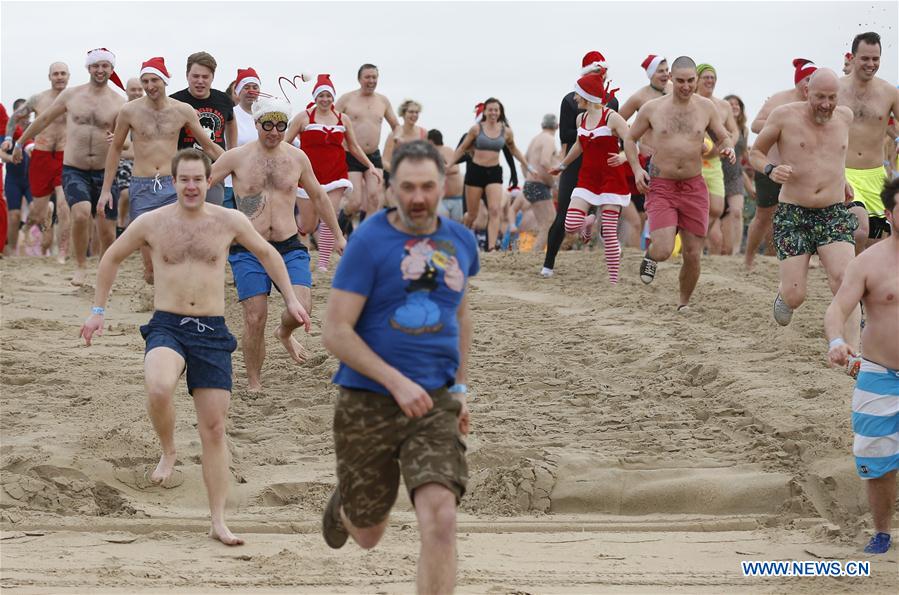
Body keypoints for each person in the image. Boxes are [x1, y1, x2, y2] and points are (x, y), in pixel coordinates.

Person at [80, 148, 310, 546]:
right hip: (168, 325)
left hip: (211, 330)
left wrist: (290, 298)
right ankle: (168, 449)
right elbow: (112, 257)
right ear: (173, 182)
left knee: (214, 429)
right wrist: (98, 310)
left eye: (197, 180)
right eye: (183, 179)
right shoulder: (152, 222)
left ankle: (218, 520)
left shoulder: (229, 220)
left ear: (209, 182)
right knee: (158, 386)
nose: (190, 186)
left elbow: (269, 253)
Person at [320, 140, 476, 594]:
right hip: (367, 402)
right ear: (391, 188)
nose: (419, 197)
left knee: (441, 518)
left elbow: (461, 316)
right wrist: (396, 382)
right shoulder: (369, 241)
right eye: (407, 187)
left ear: (443, 183)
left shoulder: (461, 241)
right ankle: (346, 509)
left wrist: (461, 390)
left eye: (428, 186)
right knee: (368, 535)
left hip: (434, 403)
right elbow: (336, 332)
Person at [210, 98, 345, 391]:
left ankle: (283, 332)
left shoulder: (297, 158)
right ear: (257, 123)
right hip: (248, 247)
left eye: (280, 125)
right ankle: (254, 383)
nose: (273, 131)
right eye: (267, 125)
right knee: (255, 316)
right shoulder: (236, 157)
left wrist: (337, 235)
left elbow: (320, 197)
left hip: (287, 245)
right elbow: (202, 184)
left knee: (302, 308)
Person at [749, 69, 860, 347]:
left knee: (845, 281)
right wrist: (770, 169)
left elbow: (832, 155)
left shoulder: (845, 117)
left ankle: (855, 356)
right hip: (793, 212)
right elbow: (755, 153)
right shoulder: (784, 115)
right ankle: (785, 293)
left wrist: (842, 179)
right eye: (820, 97)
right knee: (795, 295)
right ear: (807, 92)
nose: (826, 104)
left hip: (833, 211)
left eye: (831, 98)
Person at [823, 176, 899, 555]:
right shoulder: (869, 261)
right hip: (879, 373)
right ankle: (882, 532)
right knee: (878, 459)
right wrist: (837, 341)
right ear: (889, 212)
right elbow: (838, 308)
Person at [100, 57, 225, 284]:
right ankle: (156, 282)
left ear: (165, 81)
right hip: (142, 184)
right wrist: (106, 190)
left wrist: (234, 164)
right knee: (149, 268)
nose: (149, 86)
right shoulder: (129, 111)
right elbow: (116, 149)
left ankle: (174, 301)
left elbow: (207, 145)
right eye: (145, 81)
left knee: (176, 246)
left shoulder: (183, 111)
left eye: (154, 80)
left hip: (171, 184)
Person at [624, 56, 736, 310]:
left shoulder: (707, 107)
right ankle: (651, 256)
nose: (686, 86)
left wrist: (728, 148)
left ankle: (683, 303)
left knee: (693, 254)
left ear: (696, 80)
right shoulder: (653, 108)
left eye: (691, 81)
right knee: (663, 249)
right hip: (662, 186)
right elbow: (629, 139)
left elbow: (723, 136)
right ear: (671, 79)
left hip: (694, 186)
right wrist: (637, 168)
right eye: (681, 81)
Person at [13, 48, 126, 285]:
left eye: (105, 66)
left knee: (106, 230)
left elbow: (125, 140)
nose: (100, 70)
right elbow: (43, 119)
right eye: (95, 66)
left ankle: (104, 269)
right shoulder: (71, 96)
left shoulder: (119, 102)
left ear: (111, 69)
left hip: (105, 171)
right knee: (81, 212)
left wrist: (118, 139)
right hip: (75, 168)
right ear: (88, 68)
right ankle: (81, 266)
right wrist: (20, 142)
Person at [285, 74, 375, 271]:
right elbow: (285, 143)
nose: (325, 99)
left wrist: (370, 166)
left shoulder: (342, 119)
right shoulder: (303, 117)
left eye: (328, 95)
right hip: (308, 174)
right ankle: (301, 252)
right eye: (321, 95)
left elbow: (354, 147)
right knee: (307, 225)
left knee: (329, 216)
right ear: (315, 97)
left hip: (335, 173)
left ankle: (323, 263)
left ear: (333, 97)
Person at [541, 51, 619, 278]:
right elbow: (565, 135)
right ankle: (548, 264)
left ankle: (611, 272)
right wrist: (591, 128)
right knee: (563, 216)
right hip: (576, 163)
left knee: (606, 213)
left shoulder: (611, 100)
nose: (600, 76)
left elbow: (618, 133)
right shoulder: (570, 100)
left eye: (602, 72)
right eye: (595, 72)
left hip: (602, 163)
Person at [550, 71, 631, 284]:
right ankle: (587, 223)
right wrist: (563, 165)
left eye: (578, 94)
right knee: (569, 224)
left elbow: (631, 140)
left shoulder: (612, 117)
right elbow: (579, 145)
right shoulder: (580, 119)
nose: (575, 99)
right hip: (588, 178)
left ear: (587, 96)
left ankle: (613, 280)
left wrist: (623, 157)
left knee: (610, 234)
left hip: (611, 179)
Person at [744, 59, 818, 268]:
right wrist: (780, 126)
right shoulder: (779, 100)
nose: (810, 85)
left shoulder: (817, 104)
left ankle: (802, 256)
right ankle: (749, 257)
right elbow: (755, 125)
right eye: (807, 79)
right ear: (798, 82)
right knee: (763, 216)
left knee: (808, 213)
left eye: (814, 80)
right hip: (771, 165)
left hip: (801, 169)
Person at [3, 61, 72, 263]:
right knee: (36, 213)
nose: (59, 77)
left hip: (64, 155)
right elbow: (14, 118)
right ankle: (36, 223)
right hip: (40, 155)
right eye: (55, 74)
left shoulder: (75, 98)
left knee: (64, 204)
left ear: (68, 76)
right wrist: (10, 140)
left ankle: (62, 252)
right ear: (49, 77)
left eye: (63, 73)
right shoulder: (38, 99)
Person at [839, 32, 899, 251]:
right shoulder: (835, 90)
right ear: (853, 58)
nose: (871, 64)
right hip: (844, 173)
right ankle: (849, 280)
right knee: (858, 230)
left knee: (876, 244)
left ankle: (858, 279)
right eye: (865, 58)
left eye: (876, 59)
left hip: (876, 175)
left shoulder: (889, 92)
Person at [451, 97, 529, 251]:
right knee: (472, 215)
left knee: (494, 210)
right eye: (490, 109)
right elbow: (460, 150)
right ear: (485, 112)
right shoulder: (475, 130)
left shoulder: (505, 132)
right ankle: (462, 237)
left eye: (496, 110)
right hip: (475, 172)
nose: (493, 112)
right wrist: (450, 165)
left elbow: (511, 152)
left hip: (494, 173)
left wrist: (520, 169)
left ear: (500, 112)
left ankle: (492, 248)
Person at [335, 63, 399, 223]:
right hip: (351, 155)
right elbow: (331, 120)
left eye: (374, 77)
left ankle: (365, 235)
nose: (371, 80)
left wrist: (397, 141)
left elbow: (396, 126)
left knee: (375, 199)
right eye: (367, 77)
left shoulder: (383, 101)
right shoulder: (347, 99)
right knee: (355, 202)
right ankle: (340, 226)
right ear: (359, 79)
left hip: (373, 155)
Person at [170, 51, 235, 206]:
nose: (200, 81)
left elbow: (231, 122)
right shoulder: (174, 102)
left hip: (214, 170)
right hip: (182, 171)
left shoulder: (224, 100)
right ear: (187, 75)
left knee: (212, 219)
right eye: (195, 76)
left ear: (212, 77)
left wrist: (232, 148)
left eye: (205, 77)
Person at [694, 64, 740, 253]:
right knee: (697, 207)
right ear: (696, 80)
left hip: (714, 162)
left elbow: (734, 130)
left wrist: (729, 145)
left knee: (717, 209)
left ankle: (695, 239)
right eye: (706, 77)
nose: (710, 81)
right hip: (693, 162)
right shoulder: (691, 102)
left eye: (713, 78)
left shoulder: (723, 105)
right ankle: (692, 243)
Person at [222, 68, 262, 210]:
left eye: (255, 87)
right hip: (228, 184)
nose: (251, 91)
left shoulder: (264, 116)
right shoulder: (230, 115)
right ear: (238, 91)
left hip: (254, 184)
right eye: (246, 87)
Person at [522, 114, 559, 253]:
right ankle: (535, 253)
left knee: (543, 223)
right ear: (557, 126)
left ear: (542, 125)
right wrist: (551, 183)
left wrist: (528, 176)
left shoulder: (535, 139)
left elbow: (524, 161)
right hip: (539, 185)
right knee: (549, 221)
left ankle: (535, 251)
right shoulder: (549, 139)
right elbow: (544, 162)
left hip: (530, 184)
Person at [114, 77, 146, 234]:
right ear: (126, 91)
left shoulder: (149, 112)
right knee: (126, 194)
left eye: (140, 89)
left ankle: (136, 230)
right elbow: (119, 144)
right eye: (133, 89)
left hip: (146, 162)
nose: (137, 93)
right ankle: (120, 224)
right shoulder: (122, 111)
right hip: (124, 162)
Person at [3, 99, 33, 255]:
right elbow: (1, 152)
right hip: (13, 180)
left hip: (31, 179)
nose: (23, 116)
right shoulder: (8, 132)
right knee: (14, 216)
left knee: (37, 212)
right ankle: (12, 250)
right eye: (19, 112)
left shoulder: (35, 129)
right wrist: (9, 158)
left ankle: (27, 234)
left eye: (25, 112)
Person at [721, 94, 750, 255]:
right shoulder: (718, 125)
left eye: (737, 104)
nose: (734, 106)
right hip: (718, 172)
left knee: (737, 212)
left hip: (735, 174)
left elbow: (745, 155)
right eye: (730, 104)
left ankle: (736, 251)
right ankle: (722, 249)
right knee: (719, 215)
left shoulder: (744, 130)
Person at [383, 99, 427, 182]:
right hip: (398, 178)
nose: (414, 115)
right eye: (411, 112)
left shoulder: (424, 133)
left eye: (417, 112)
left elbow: (428, 158)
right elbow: (385, 161)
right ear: (403, 114)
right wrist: (401, 173)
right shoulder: (393, 135)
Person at [427, 129, 464, 222]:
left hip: (456, 199)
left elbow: (455, 169)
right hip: (441, 199)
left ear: (430, 141)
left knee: (456, 229)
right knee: (442, 226)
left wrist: (435, 171)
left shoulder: (446, 150)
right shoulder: (429, 155)